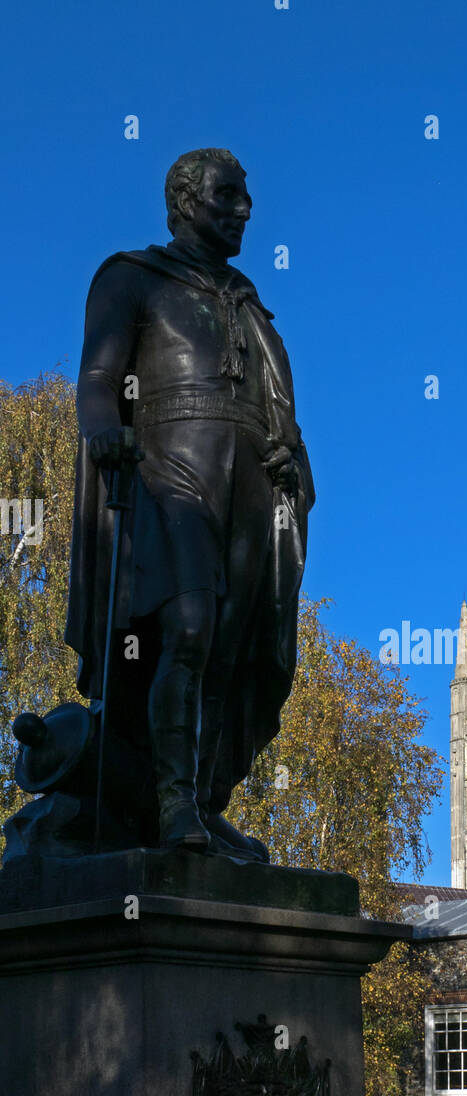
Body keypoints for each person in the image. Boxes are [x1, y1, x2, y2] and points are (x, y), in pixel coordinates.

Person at [65, 148, 314, 855]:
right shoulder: (134, 277)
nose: (244, 208)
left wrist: (287, 452)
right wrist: (105, 429)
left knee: (236, 651)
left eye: (245, 197)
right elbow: (97, 376)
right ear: (182, 201)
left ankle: (203, 800)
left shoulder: (246, 301)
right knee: (191, 626)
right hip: (169, 472)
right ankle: (170, 804)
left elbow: (276, 404)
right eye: (227, 196)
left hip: (250, 487)